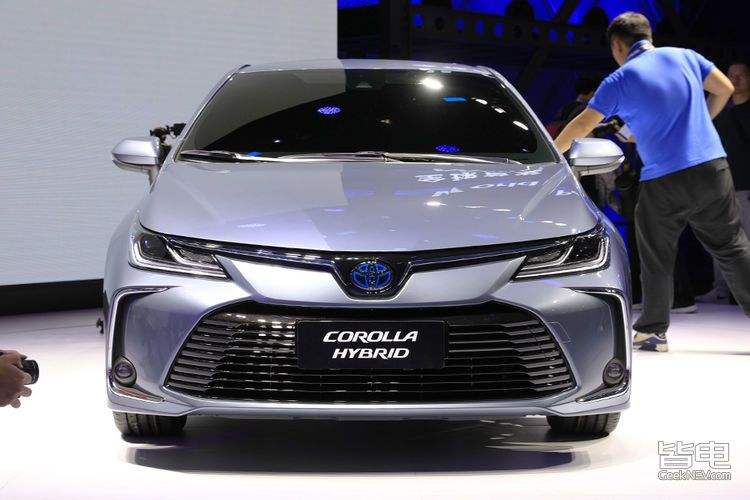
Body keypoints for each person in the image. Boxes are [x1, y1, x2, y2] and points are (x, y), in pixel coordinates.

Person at [553, 12, 750, 352]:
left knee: (656, 254)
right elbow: (725, 89)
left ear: (618, 45)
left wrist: (553, 154)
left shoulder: (620, 79)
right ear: (648, 35)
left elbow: (583, 125)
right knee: (732, 247)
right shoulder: (685, 56)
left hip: (664, 179)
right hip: (711, 167)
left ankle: (653, 331)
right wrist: (703, 119)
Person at [706, 60, 750, 302]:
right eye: (731, 75)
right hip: (720, 185)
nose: (735, 79)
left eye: (741, 75)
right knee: (720, 238)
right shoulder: (720, 111)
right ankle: (722, 289)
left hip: (745, 186)